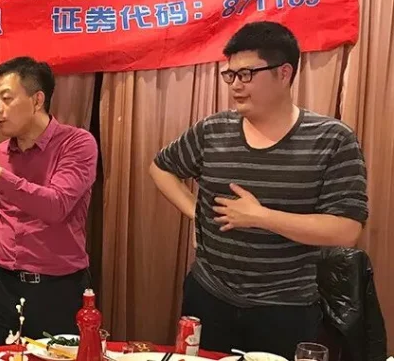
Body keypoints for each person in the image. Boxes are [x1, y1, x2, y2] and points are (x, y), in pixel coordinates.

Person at [149, 21, 368, 357]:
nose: (236, 85)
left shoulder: (332, 139)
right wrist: (197, 212)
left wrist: (260, 216)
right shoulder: (213, 130)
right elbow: (161, 168)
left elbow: (346, 230)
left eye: (247, 74)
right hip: (209, 296)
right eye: (230, 75)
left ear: (284, 73)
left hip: (286, 308)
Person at [0, 56, 99, 345]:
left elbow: (56, 206)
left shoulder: (77, 143)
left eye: (6, 99)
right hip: (1, 284)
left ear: (37, 100)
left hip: (57, 288)